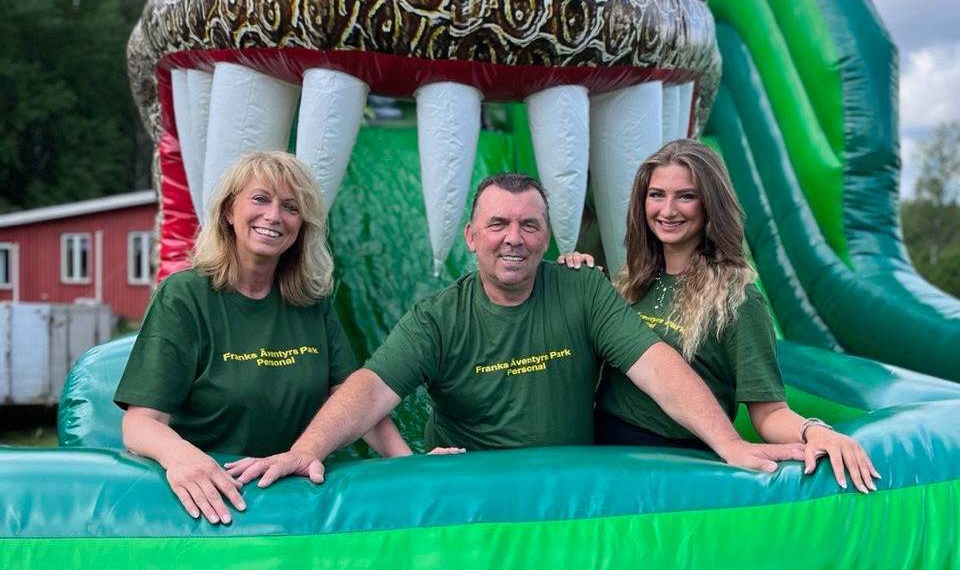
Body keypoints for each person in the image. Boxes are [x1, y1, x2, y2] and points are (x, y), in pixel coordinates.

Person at [225, 172, 804, 488]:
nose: (514, 238)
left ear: (548, 239)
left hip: (570, 497)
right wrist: (306, 450)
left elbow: (655, 365)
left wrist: (727, 443)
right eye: (498, 224)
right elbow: (371, 388)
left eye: (530, 225)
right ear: (471, 237)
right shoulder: (440, 316)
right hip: (476, 497)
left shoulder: (582, 290)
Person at [114, 152, 434, 525]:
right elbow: (139, 424)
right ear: (229, 211)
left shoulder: (312, 302)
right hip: (214, 500)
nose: (274, 216)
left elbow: (353, 403)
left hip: (298, 499)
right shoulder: (185, 296)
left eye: (290, 207)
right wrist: (181, 458)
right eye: (260, 198)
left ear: (302, 226)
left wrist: (410, 468)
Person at [558, 139, 880, 493]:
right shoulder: (631, 281)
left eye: (685, 196)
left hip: (674, 470)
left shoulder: (738, 300)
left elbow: (768, 412)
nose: (667, 210)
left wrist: (816, 431)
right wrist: (571, 280)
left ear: (710, 203)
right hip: (601, 454)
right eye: (656, 195)